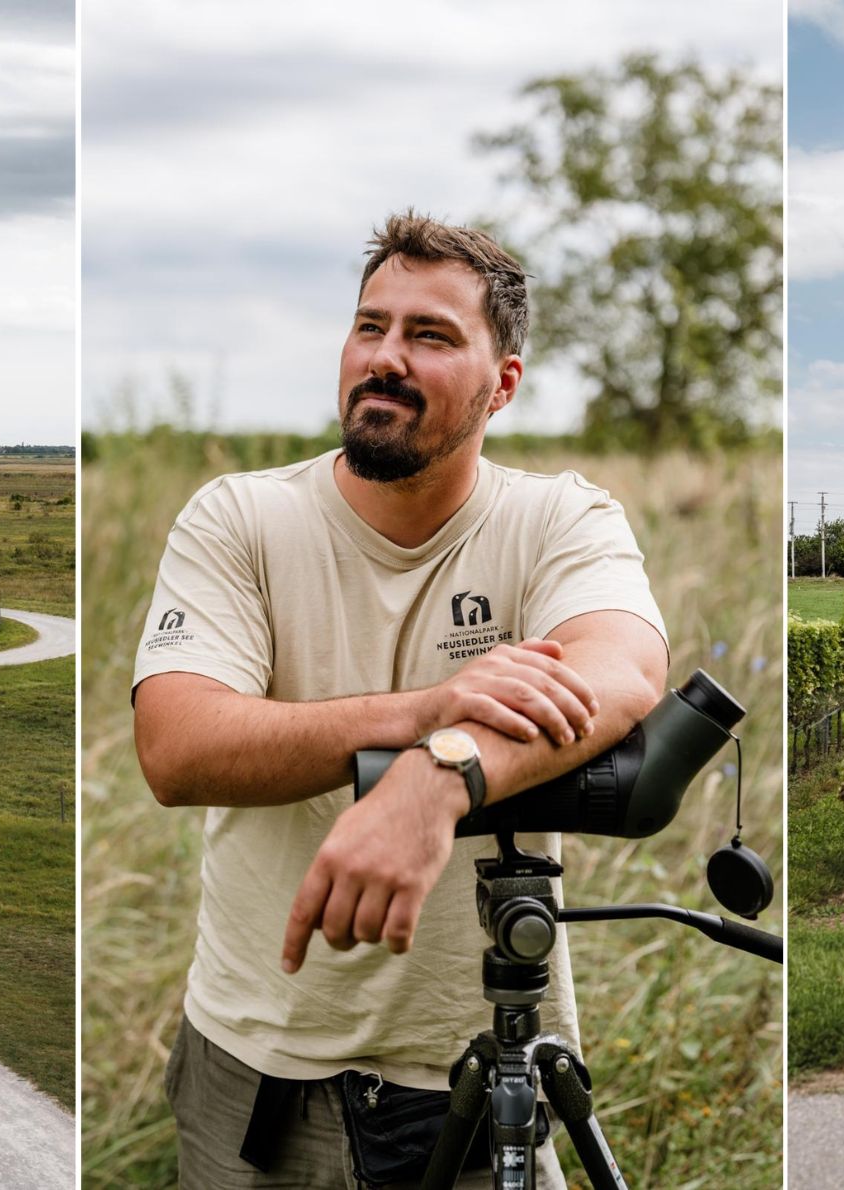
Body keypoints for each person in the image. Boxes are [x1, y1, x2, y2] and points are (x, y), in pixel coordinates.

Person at [131, 212, 668, 1188]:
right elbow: (176, 743)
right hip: (256, 1066)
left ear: (502, 382)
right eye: (369, 326)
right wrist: (429, 709)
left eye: (429, 335)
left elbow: (621, 670)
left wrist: (441, 777)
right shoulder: (241, 516)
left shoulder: (561, 518)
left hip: (468, 1069)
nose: (384, 358)